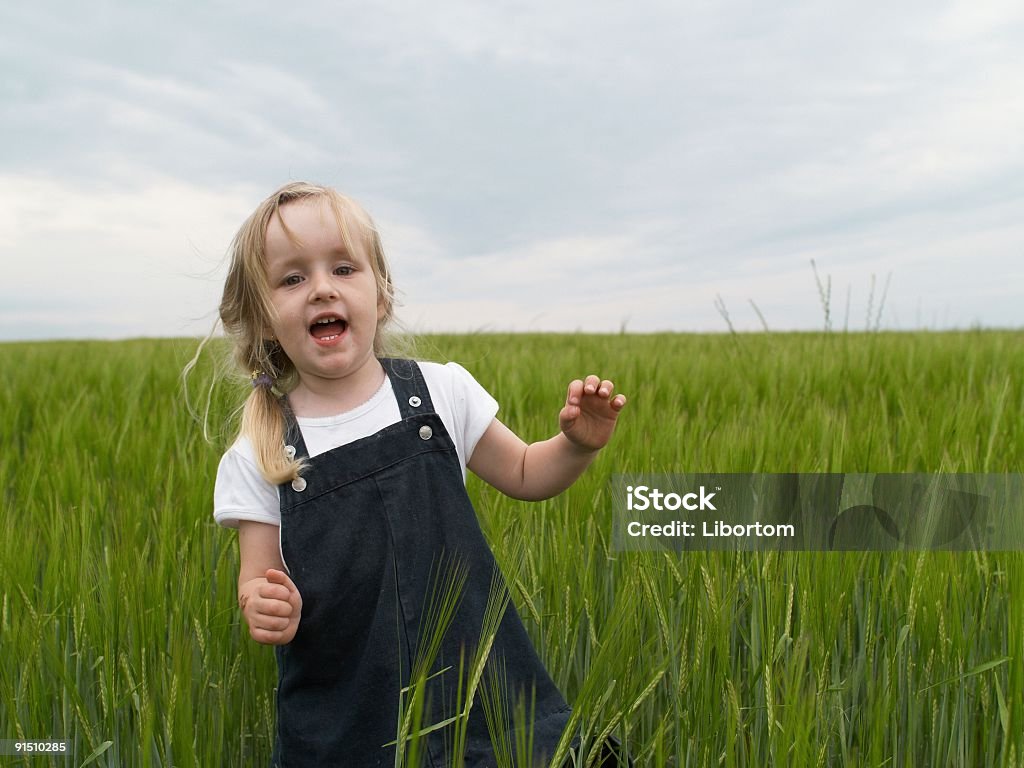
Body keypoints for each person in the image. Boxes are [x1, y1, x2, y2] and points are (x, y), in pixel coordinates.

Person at [211, 181, 629, 767]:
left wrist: (576, 445)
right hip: (351, 719)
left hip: (481, 691)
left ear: (380, 295)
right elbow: (256, 580)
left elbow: (529, 474)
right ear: (262, 317)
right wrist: (264, 604)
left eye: (343, 268)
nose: (321, 288)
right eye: (292, 278)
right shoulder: (258, 452)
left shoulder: (440, 391)